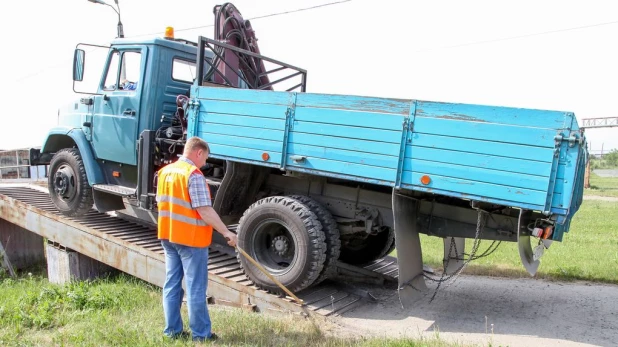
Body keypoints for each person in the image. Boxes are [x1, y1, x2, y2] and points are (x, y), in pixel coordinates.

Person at [156, 136, 238, 342]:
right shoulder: (194, 175)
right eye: (205, 158)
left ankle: (172, 332)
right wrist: (226, 232)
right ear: (198, 152)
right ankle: (201, 335)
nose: (205, 163)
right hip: (190, 240)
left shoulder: (165, 172)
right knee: (196, 289)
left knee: (172, 284)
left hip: (168, 235)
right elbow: (204, 210)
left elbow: (162, 203)